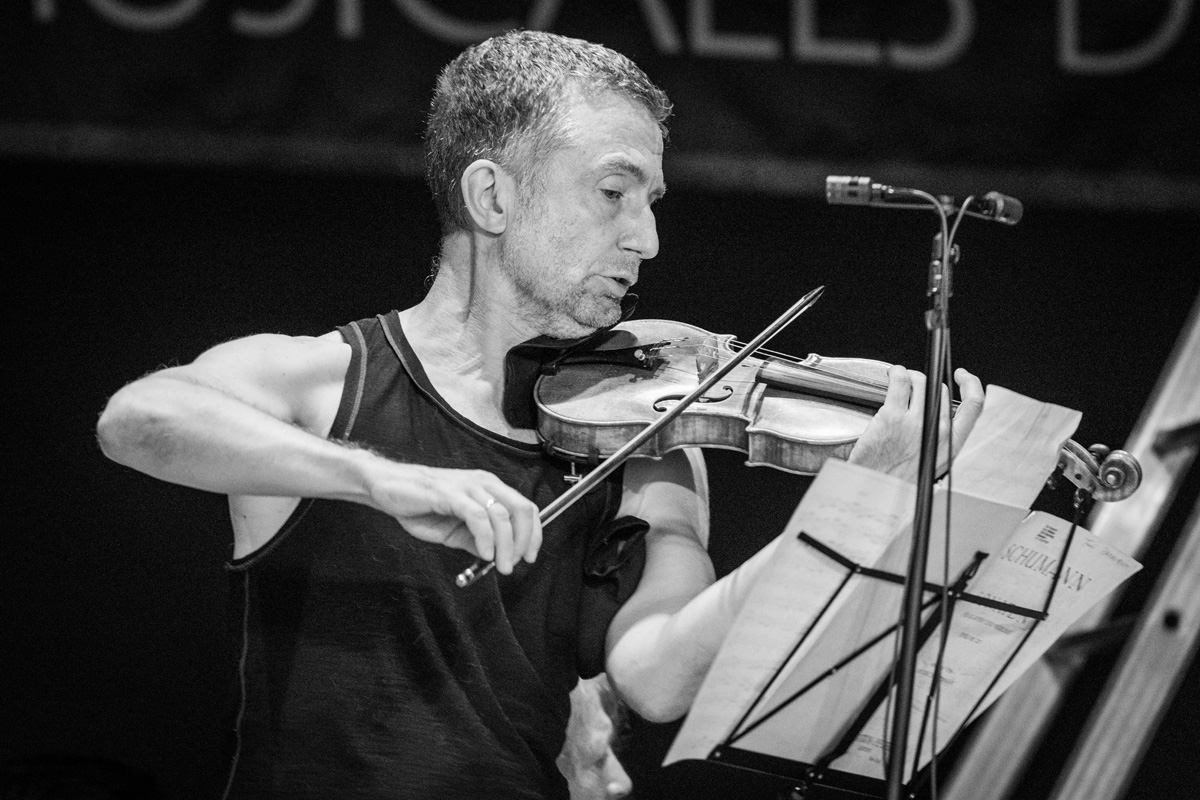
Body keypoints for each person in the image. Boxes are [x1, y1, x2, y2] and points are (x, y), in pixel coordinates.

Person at [96, 29, 983, 800]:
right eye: (613, 192)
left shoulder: (650, 438)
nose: (647, 239)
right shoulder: (328, 385)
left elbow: (659, 676)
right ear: (493, 197)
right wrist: (377, 479)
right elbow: (137, 419)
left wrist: (854, 508)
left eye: (651, 202)